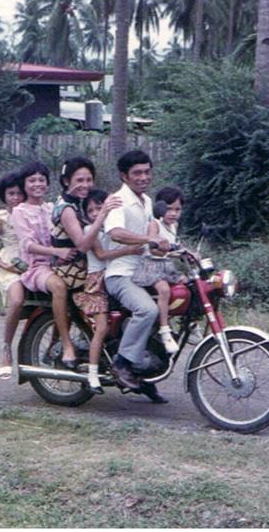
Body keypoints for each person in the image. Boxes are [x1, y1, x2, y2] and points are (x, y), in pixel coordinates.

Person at [103, 150, 171, 402]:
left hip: (143, 270)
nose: (143, 177)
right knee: (147, 310)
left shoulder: (147, 201)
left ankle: (147, 369)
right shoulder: (118, 200)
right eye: (137, 173)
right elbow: (115, 233)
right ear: (124, 175)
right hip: (120, 273)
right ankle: (121, 363)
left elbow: (156, 232)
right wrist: (148, 239)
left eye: (147, 171)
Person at [10, 161, 79, 369]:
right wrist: (56, 251)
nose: (37, 184)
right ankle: (66, 344)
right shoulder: (20, 211)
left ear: (48, 184)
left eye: (41, 180)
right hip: (37, 267)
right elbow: (28, 245)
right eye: (32, 180)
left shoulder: (52, 208)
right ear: (24, 184)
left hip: (62, 262)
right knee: (59, 286)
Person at [73, 189, 143, 394]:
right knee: (101, 328)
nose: (95, 212)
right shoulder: (90, 230)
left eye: (99, 207)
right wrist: (128, 250)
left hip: (114, 276)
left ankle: (139, 374)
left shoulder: (112, 228)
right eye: (91, 209)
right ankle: (93, 375)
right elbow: (102, 254)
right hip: (97, 283)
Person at [50, 157, 121, 292]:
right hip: (73, 270)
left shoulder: (74, 201)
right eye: (79, 180)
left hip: (84, 263)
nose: (86, 185)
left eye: (89, 180)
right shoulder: (67, 209)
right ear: (66, 181)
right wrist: (103, 213)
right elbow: (82, 246)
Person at [131, 186, 187, 355]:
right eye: (169, 208)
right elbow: (152, 248)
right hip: (151, 265)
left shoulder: (174, 226)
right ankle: (164, 329)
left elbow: (176, 246)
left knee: (189, 284)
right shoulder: (154, 224)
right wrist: (165, 249)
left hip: (166, 266)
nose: (173, 213)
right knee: (163, 290)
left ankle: (190, 321)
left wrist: (188, 253)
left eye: (177, 209)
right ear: (160, 208)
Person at [0, 171, 26, 380]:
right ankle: (7, 349)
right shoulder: (1, 219)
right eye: (11, 194)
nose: (16, 198)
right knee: (17, 300)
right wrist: (7, 266)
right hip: (10, 266)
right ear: (4, 196)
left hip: (33, 262)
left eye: (19, 193)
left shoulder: (31, 213)